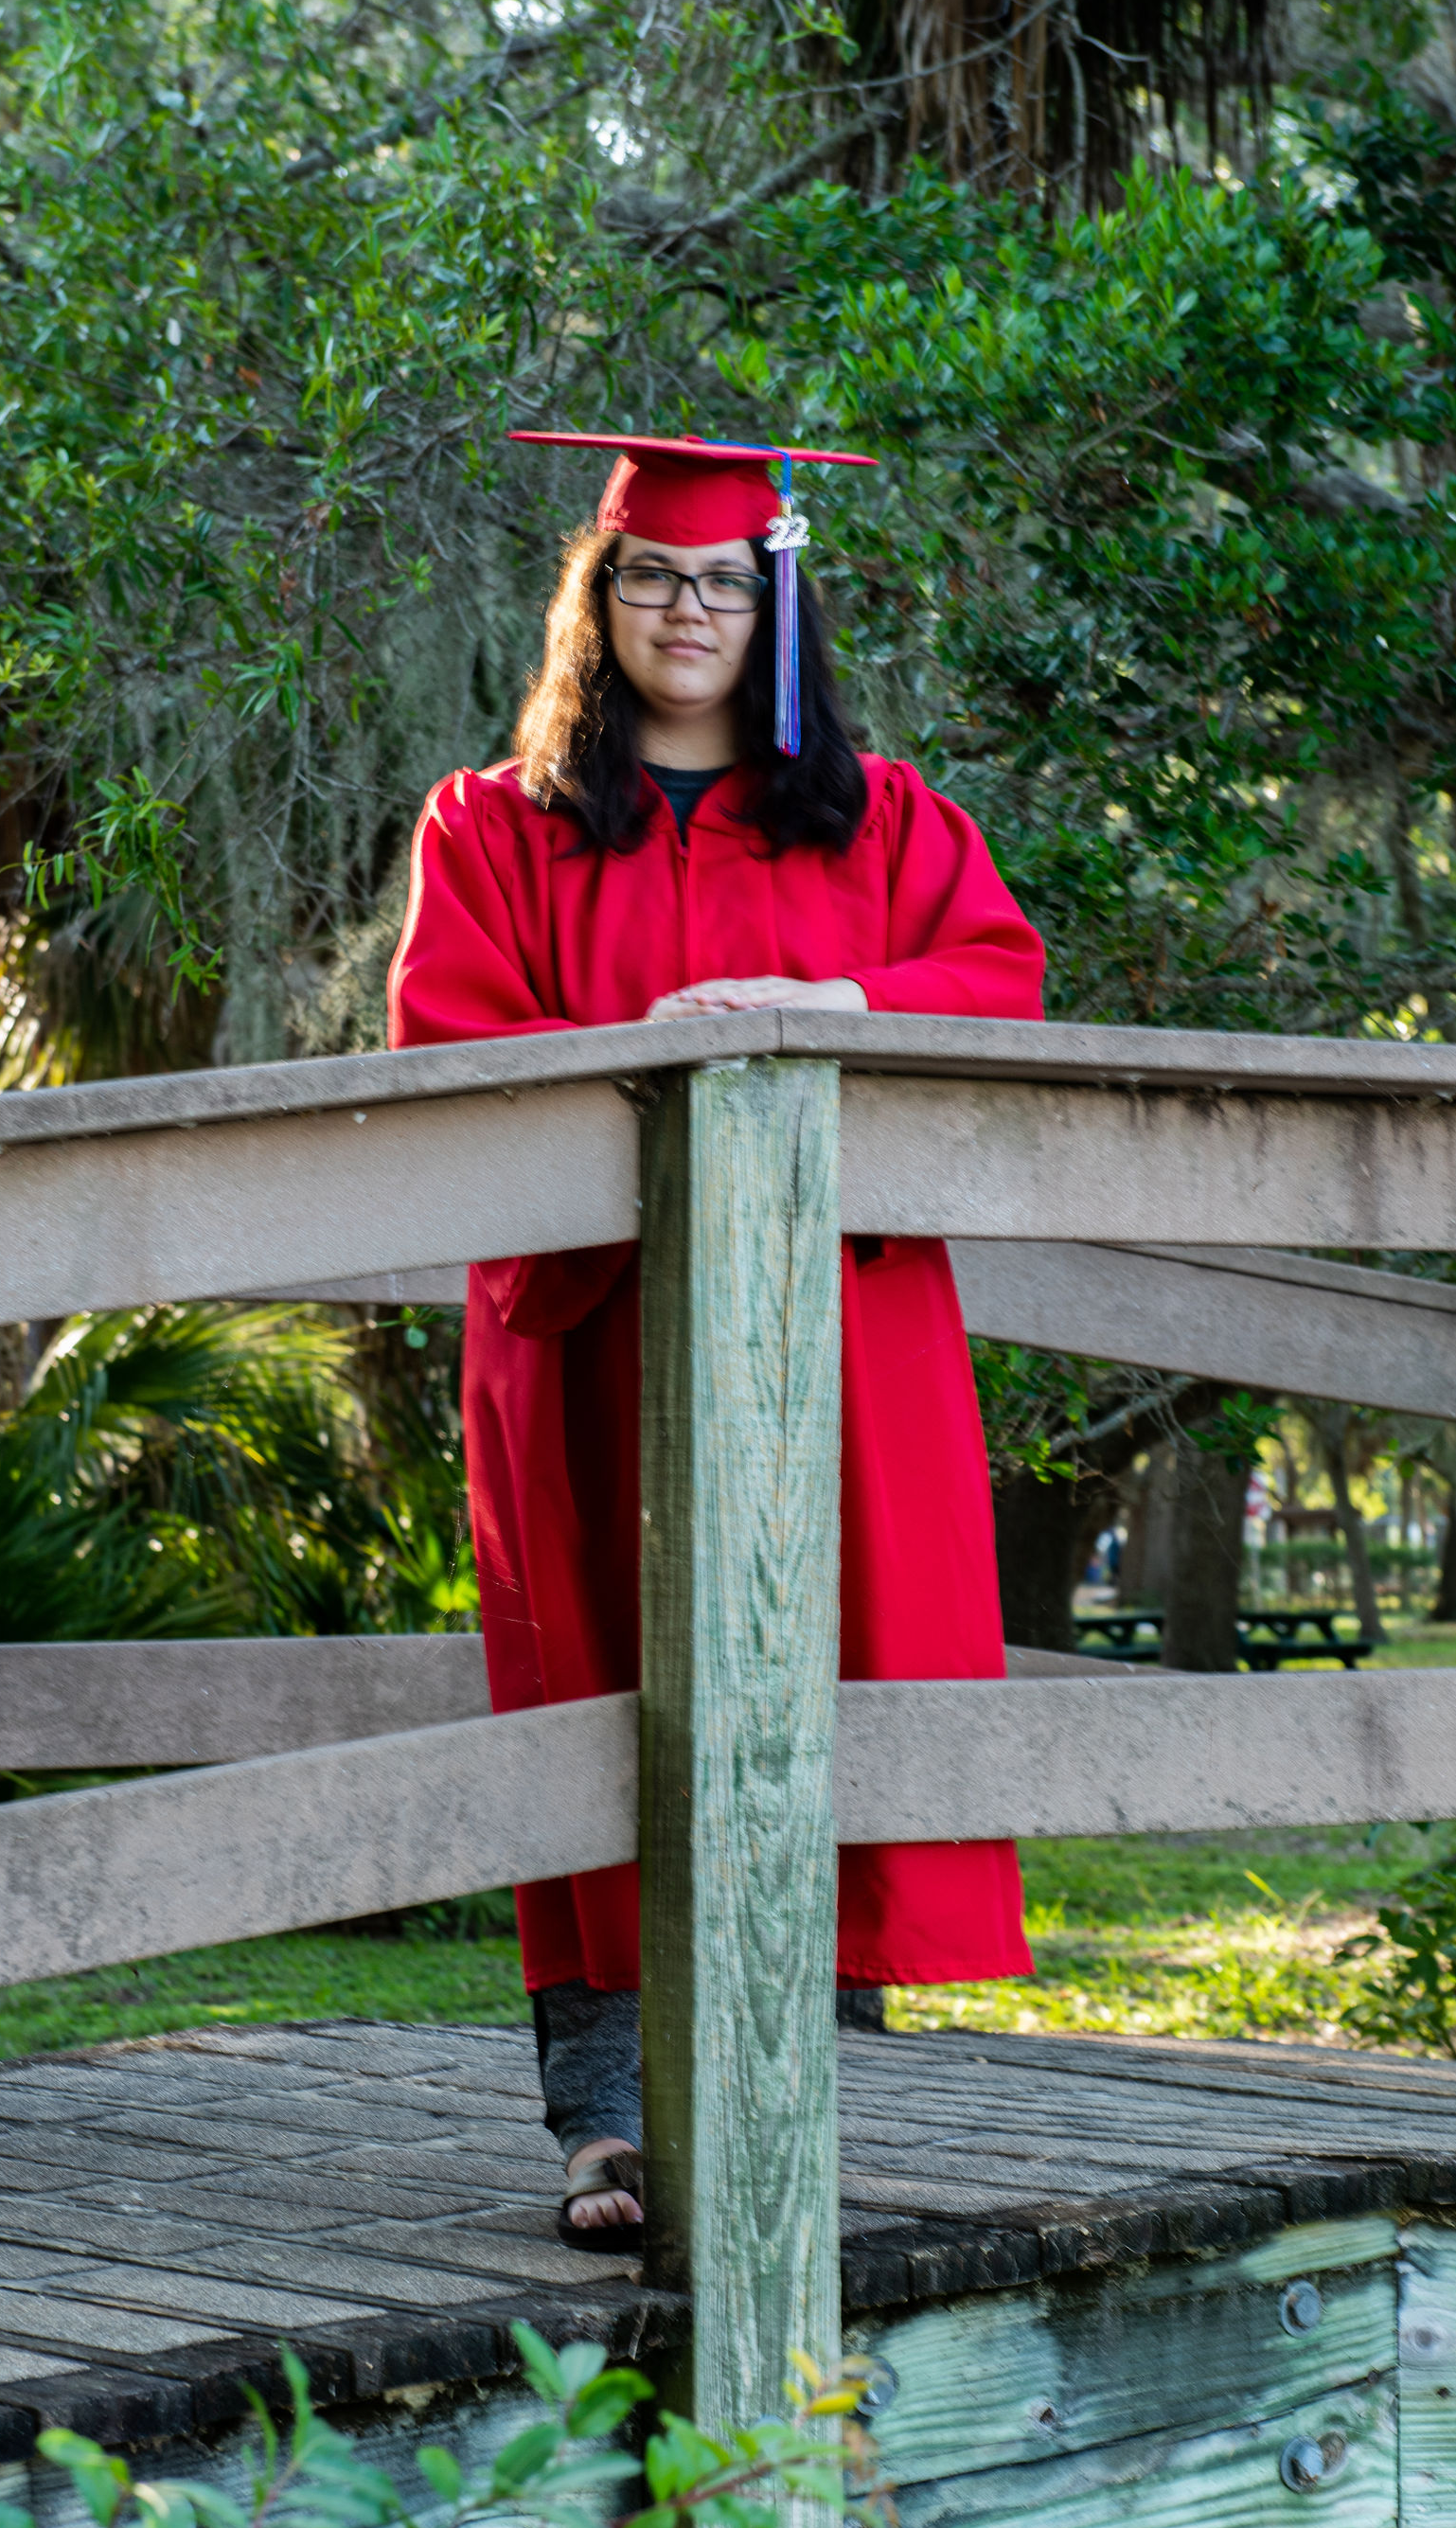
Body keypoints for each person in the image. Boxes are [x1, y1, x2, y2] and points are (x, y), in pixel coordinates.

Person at [386, 429, 1043, 2245]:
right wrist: (654, 1059)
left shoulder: (882, 819)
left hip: (834, 1334)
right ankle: (606, 2126)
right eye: (658, 579)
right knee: (599, 1687)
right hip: (588, 1335)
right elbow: (447, 1044)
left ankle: (796, 2087)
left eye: (727, 582)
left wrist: (831, 998)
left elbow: (998, 985)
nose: (692, 611)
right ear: (601, 605)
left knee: (831, 1665)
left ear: (777, 603)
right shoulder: (493, 825)